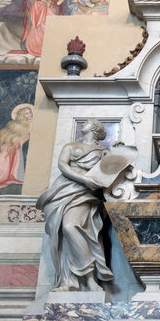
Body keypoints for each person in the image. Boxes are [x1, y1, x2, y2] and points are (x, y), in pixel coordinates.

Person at [36, 120, 116, 291]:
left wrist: (116, 153)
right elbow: (62, 165)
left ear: (95, 128)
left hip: (85, 194)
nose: (84, 123)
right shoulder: (70, 145)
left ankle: (89, 278)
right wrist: (83, 178)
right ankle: (68, 280)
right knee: (62, 231)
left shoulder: (104, 151)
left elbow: (109, 173)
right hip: (63, 189)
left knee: (70, 226)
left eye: (88, 122)